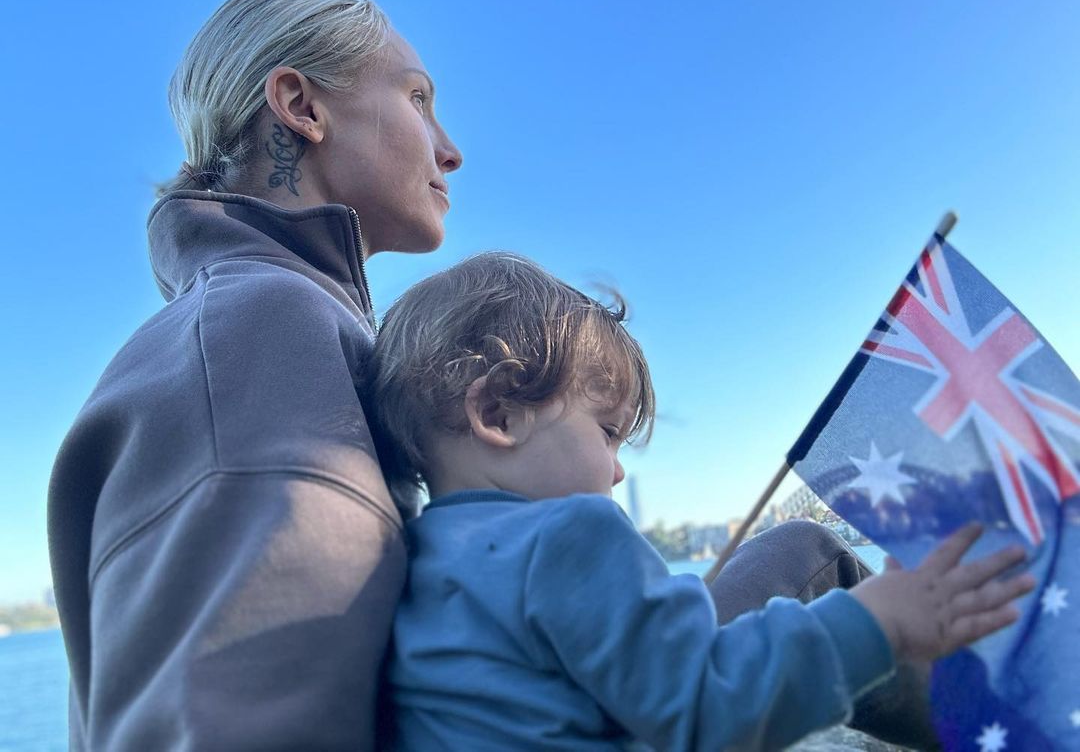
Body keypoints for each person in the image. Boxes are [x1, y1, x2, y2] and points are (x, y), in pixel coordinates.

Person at [367, 252, 1036, 751]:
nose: (617, 471)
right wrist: (878, 622)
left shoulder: (410, 560)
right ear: (499, 411)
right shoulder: (570, 536)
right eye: (607, 433)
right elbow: (706, 704)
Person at [47, 0, 461, 750]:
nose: (450, 148)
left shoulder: (246, 325)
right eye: (417, 98)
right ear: (300, 105)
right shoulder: (269, 327)